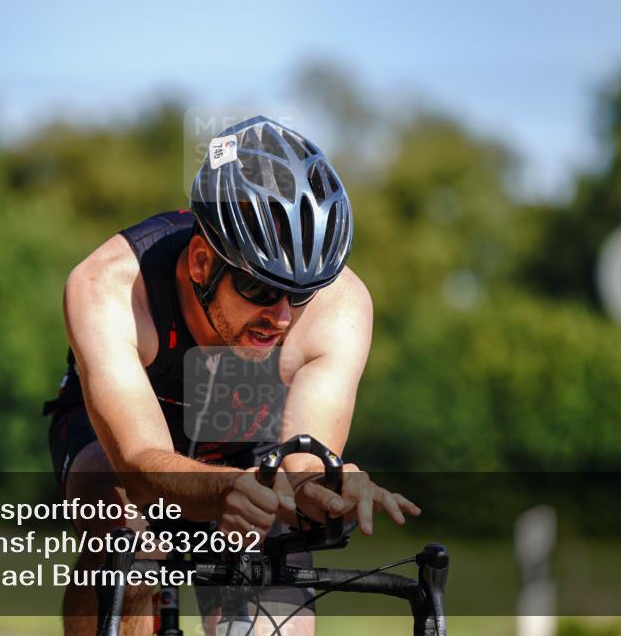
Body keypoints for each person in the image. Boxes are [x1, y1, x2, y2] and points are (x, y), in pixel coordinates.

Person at [44, 116, 420, 635]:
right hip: (125, 440)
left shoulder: (342, 307)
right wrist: (222, 490)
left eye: (300, 294)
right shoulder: (109, 287)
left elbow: (302, 465)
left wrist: (328, 488)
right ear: (201, 263)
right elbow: (137, 463)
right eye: (261, 291)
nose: (283, 318)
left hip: (248, 434)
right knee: (124, 532)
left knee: (273, 607)